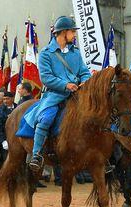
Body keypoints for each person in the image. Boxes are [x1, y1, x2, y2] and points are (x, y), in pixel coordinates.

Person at [24, 16, 91, 170]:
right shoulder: (46, 53)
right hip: (54, 95)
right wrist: (66, 85)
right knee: (46, 119)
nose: (74, 35)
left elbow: (84, 72)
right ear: (63, 33)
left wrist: (84, 82)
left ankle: (97, 155)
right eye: (72, 32)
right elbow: (46, 78)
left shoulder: (76, 53)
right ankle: (36, 154)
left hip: (77, 95)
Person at [0, 91, 17, 159]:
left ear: (13, 99)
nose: (5, 101)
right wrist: (3, 141)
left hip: (18, 139)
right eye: (4, 99)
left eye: (7, 99)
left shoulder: (18, 107)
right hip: (7, 140)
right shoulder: (0, 111)